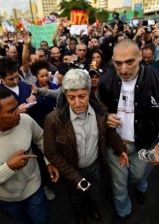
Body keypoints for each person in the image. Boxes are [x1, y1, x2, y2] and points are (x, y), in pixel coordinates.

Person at [97, 39, 159, 223]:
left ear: (140, 57)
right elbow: (96, 110)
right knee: (119, 186)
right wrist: (104, 117)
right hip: (116, 146)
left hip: (144, 145)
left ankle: (135, 188)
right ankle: (123, 211)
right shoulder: (104, 82)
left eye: (130, 62)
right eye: (118, 63)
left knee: (135, 176)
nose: (124, 69)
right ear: (112, 60)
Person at [44, 69, 128, 224]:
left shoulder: (100, 110)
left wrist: (120, 149)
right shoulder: (53, 120)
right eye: (71, 97)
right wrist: (75, 177)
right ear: (65, 95)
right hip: (73, 170)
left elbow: (108, 132)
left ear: (89, 93)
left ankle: (93, 208)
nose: (77, 103)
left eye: (82, 96)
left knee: (94, 194)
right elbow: (51, 153)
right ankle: (80, 216)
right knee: (77, 198)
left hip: (95, 167)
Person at [0, 88, 59, 224]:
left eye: (16, 107)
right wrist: (8, 167)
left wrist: (49, 161)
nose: (18, 112)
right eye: (11, 111)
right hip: (7, 199)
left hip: (35, 190)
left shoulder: (26, 120)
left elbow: (41, 139)